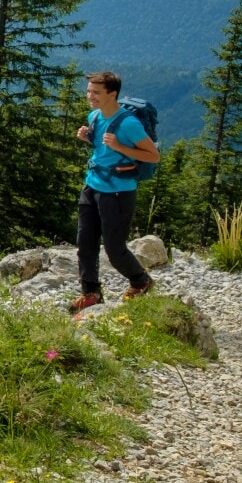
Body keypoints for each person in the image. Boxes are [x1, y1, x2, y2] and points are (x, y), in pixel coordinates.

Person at [71, 70, 160, 314]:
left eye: (96, 92)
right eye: (89, 91)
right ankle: (91, 293)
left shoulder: (129, 124)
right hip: (92, 186)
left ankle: (140, 281)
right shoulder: (95, 116)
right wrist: (88, 139)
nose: (90, 96)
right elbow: (104, 149)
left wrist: (119, 145)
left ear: (113, 94)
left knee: (114, 248)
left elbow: (153, 155)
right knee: (85, 243)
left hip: (119, 192)